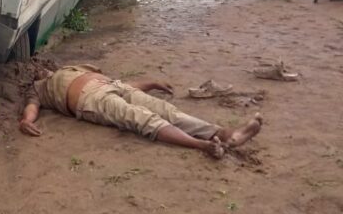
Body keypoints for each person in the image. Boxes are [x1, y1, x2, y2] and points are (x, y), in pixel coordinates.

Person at [19, 64, 262, 159]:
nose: (38, 69)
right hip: (89, 100)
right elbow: (32, 108)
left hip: (114, 86)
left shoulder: (71, 66)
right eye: (34, 70)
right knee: (141, 118)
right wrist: (26, 121)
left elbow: (122, 82)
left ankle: (227, 135)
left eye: (39, 66)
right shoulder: (38, 89)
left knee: (167, 110)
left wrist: (152, 83)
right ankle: (201, 145)